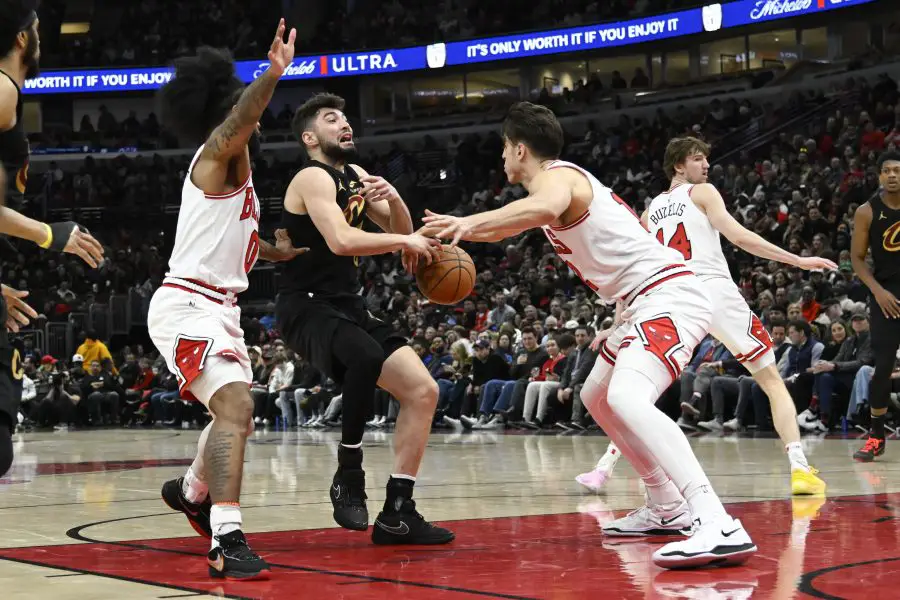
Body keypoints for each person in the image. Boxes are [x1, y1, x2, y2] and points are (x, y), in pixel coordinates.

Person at [422, 102, 755, 569]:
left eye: (503, 148)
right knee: (598, 394)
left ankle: (714, 519)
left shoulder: (557, 178)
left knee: (627, 397)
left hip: (669, 295)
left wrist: (468, 222)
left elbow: (542, 206)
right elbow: (515, 226)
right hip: (639, 302)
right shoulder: (558, 184)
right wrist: (450, 233)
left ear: (520, 149)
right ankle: (665, 505)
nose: (501, 158)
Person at [579, 137, 831, 496]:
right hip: (712, 290)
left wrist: (618, 323)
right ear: (679, 166)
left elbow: (634, 272)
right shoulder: (703, 193)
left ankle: (604, 468)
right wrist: (797, 260)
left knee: (636, 392)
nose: (706, 166)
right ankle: (800, 469)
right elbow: (739, 236)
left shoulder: (649, 213)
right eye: (698, 159)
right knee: (772, 381)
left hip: (668, 296)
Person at [149, 21, 308, 580]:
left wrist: (273, 252)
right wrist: (273, 72)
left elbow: (235, 241)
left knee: (232, 413)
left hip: (221, 308)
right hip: (188, 303)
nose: (254, 123)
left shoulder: (240, 181)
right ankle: (226, 538)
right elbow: (242, 117)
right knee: (237, 408)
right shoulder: (215, 155)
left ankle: (194, 490)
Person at [276, 93, 453, 545]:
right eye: (332, 119)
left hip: (348, 303)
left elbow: (404, 231)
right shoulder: (311, 177)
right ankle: (348, 473)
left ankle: (398, 512)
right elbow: (339, 240)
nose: (345, 123)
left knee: (422, 391)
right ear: (310, 137)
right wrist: (404, 240)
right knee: (366, 356)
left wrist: (394, 197)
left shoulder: (355, 175)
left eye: (346, 117)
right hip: (306, 304)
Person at [0, 1, 104, 476]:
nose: (42, 37)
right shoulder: (1, 90)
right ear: (22, 37)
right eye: (38, 29)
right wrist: (48, 234)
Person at [851, 151, 900, 461]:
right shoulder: (866, 211)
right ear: (879, 177)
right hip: (885, 295)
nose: (893, 175)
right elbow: (857, 259)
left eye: (897, 170)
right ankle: (877, 435)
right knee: (882, 367)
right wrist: (878, 292)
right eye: (887, 171)